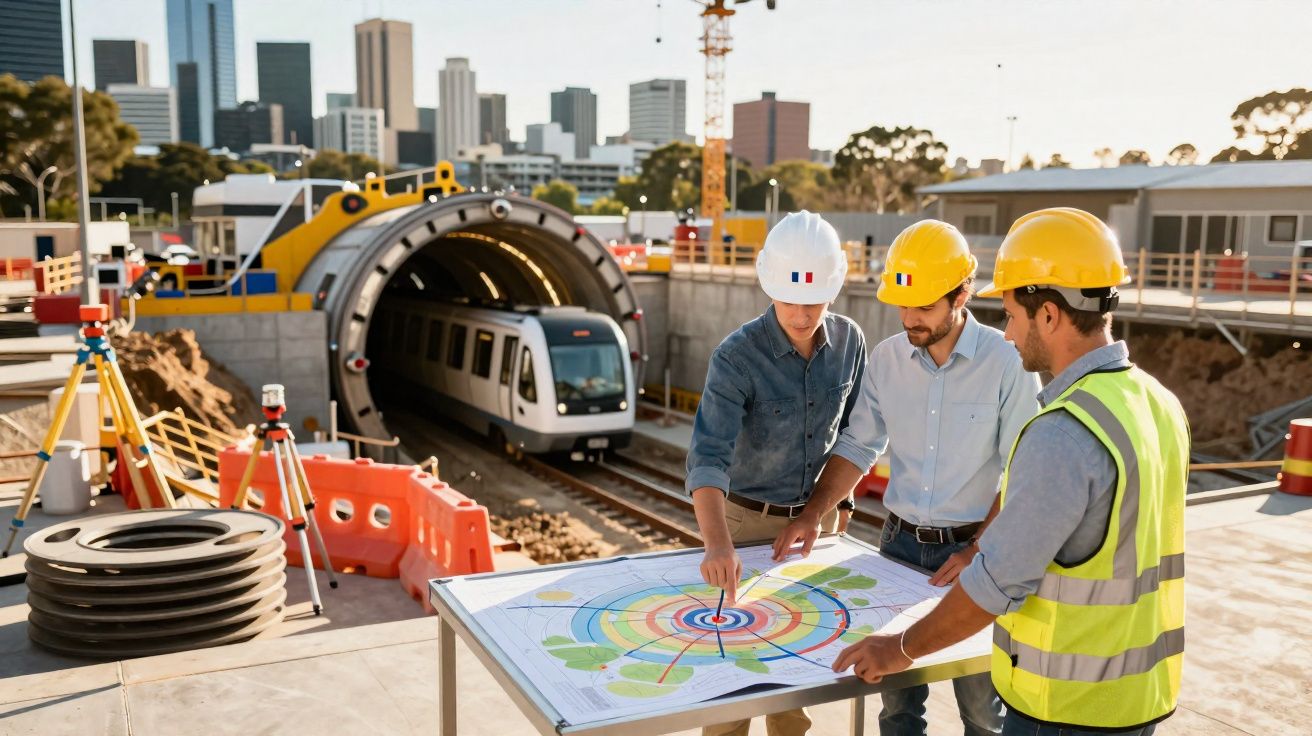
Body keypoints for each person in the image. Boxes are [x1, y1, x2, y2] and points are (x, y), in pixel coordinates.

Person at [832, 208, 1189, 736]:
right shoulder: (1159, 402)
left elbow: (997, 583)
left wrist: (900, 648)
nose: (1007, 332)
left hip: (1064, 704)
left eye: (1011, 315)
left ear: (1047, 314)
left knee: (980, 714)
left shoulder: (1063, 430)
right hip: (1140, 695)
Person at [771, 219, 1039, 736]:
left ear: (961, 294)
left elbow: (1024, 470)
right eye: (902, 305)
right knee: (895, 705)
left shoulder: (1007, 363)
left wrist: (980, 551)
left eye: (923, 307)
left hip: (976, 556)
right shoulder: (888, 359)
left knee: (983, 711)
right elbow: (856, 446)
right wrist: (812, 515)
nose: (909, 319)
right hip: (898, 548)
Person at [686, 210, 867, 736]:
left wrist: (837, 510)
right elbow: (708, 456)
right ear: (769, 285)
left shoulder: (851, 343)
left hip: (815, 526)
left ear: (833, 287)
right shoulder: (736, 357)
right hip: (743, 526)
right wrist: (718, 545)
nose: (803, 313)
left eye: (814, 301)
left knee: (792, 680)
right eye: (790, 300)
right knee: (732, 685)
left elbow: (853, 438)